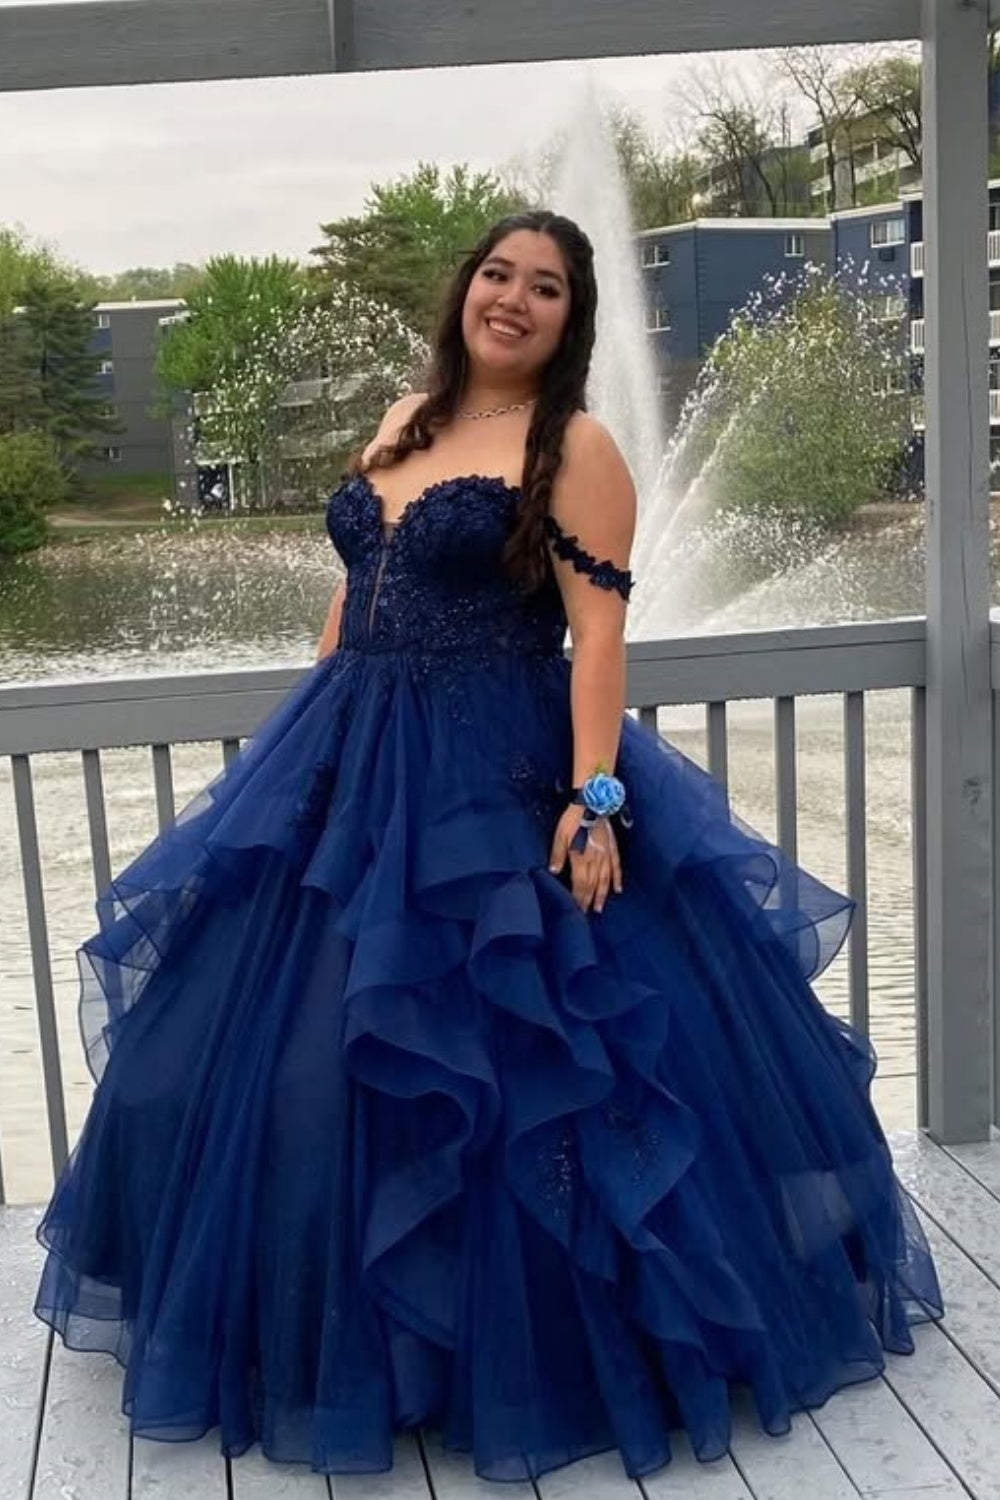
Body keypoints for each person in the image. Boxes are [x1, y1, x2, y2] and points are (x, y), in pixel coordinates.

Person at [34, 210, 943, 1484]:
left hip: (494, 775)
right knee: (308, 1062)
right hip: (352, 763)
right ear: (467, 289)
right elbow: (356, 599)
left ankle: (530, 1353)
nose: (514, 299)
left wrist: (593, 799)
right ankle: (338, 1333)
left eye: (551, 288)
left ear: (569, 321)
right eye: (500, 275)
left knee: (538, 1056)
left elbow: (598, 636)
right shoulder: (403, 423)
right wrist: (309, 741)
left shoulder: (573, 446)